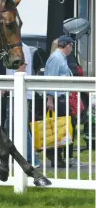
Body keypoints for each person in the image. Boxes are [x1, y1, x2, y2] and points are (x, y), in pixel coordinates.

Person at [44, 35, 79, 168]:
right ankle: (56, 157)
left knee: (65, 128)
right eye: (72, 46)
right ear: (68, 45)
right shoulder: (56, 58)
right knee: (60, 129)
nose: (72, 49)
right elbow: (50, 80)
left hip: (62, 99)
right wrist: (50, 99)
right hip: (58, 100)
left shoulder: (60, 58)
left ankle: (60, 157)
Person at [5, 42, 40, 168]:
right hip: (13, 92)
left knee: (20, 126)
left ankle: (32, 159)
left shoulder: (23, 49)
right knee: (10, 125)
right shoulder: (13, 49)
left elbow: (20, 70)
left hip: (20, 93)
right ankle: (20, 157)